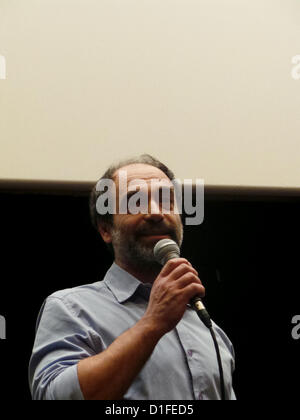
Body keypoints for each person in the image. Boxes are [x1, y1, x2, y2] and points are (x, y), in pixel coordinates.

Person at [28, 154, 236, 400]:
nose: (156, 213)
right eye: (135, 202)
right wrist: (153, 323)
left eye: (166, 200)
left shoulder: (209, 328)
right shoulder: (71, 308)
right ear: (106, 229)